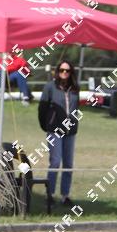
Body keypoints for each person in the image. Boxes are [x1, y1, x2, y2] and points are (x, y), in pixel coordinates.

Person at [38, 60, 80, 208]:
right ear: (58, 71)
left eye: (67, 71)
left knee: (68, 164)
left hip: (71, 131)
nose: (64, 73)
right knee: (55, 162)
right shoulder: (50, 87)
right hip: (54, 130)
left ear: (71, 72)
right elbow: (42, 108)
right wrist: (46, 125)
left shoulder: (75, 88)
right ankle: (49, 194)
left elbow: (76, 108)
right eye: (62, 70)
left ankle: (65, 196)